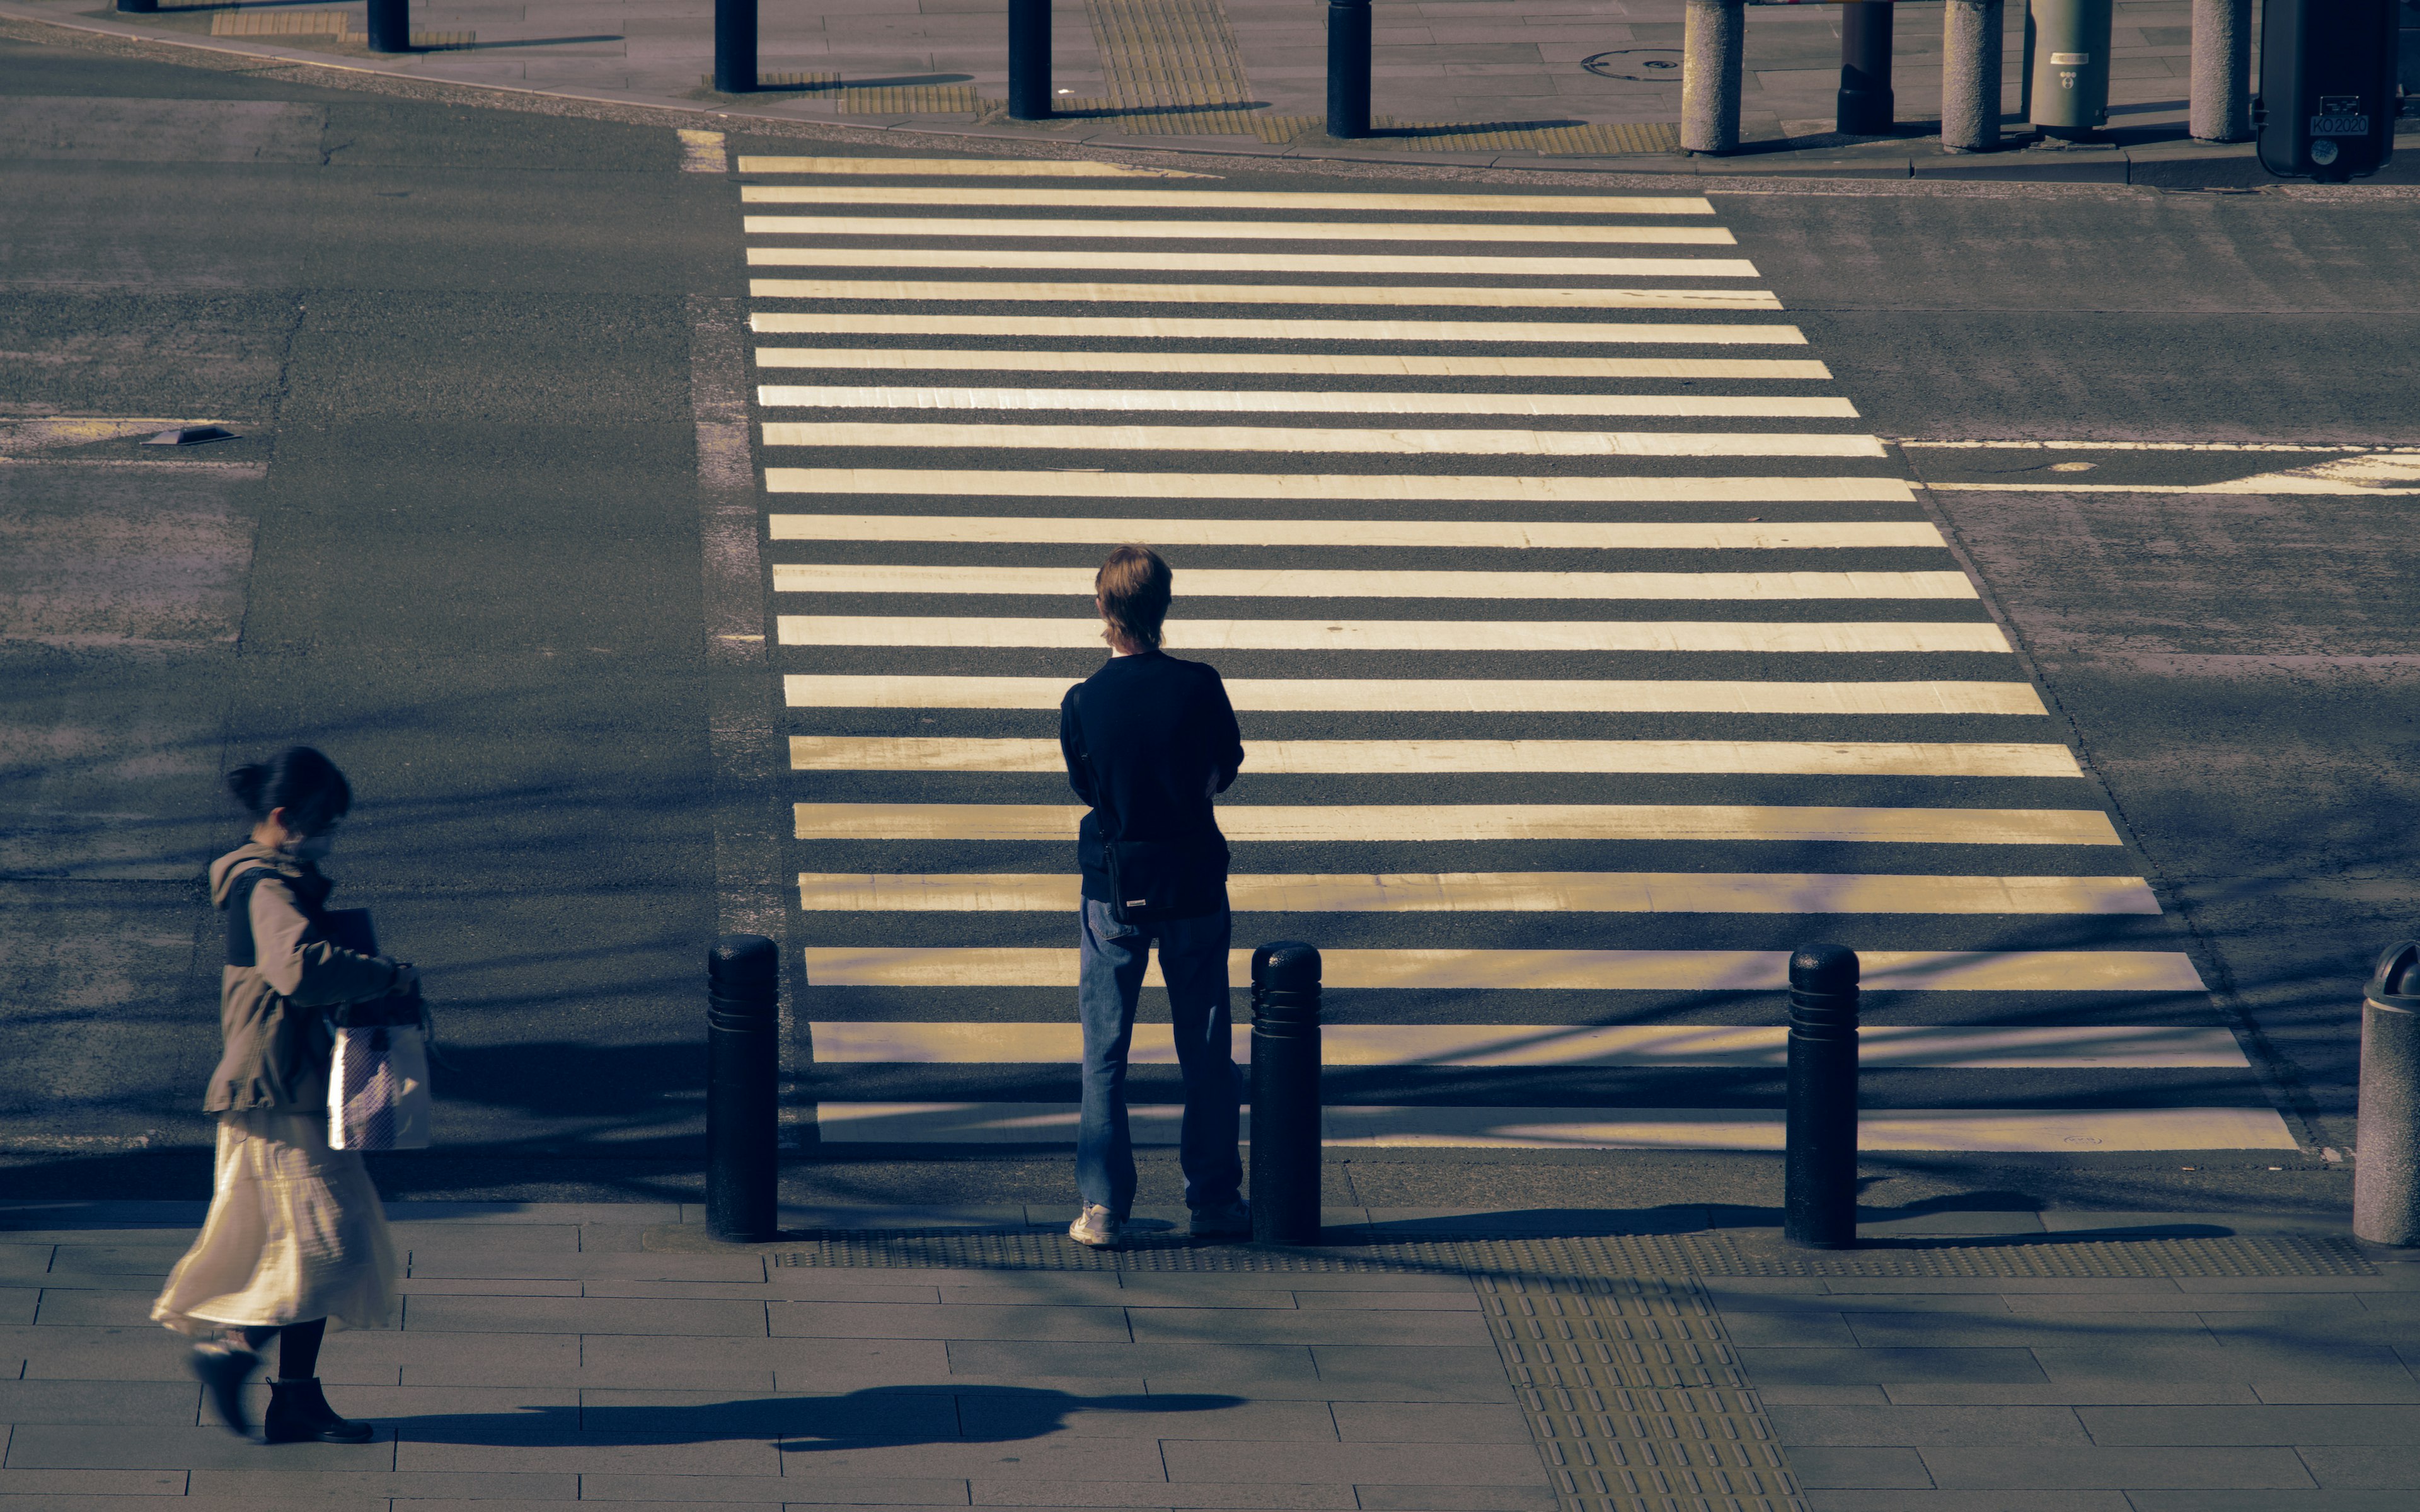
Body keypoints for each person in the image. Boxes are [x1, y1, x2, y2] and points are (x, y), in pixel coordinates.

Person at [153, 747, 415, 1444]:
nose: (329, 832)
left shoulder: (280, 881)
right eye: (323, 820)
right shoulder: (262, 887)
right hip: (270, 1095)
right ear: (283, 817)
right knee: (324, 1242)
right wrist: (383, 975)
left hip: (295, 1088)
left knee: (317, 1242)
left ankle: (295, 1398)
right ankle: (231, 1353)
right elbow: (298, 969)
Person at [1058, 545, 1250, 1248]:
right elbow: (1223, 769)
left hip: (1114, 889)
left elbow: (1088, 788)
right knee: (1205, 1049)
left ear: (1104, 610)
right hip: (1195, 882)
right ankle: (1214, 1202)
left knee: (1105, 1052)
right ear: (1164, 607)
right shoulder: (1201, 685)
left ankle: (1104, 1209)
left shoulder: (1083, 701)